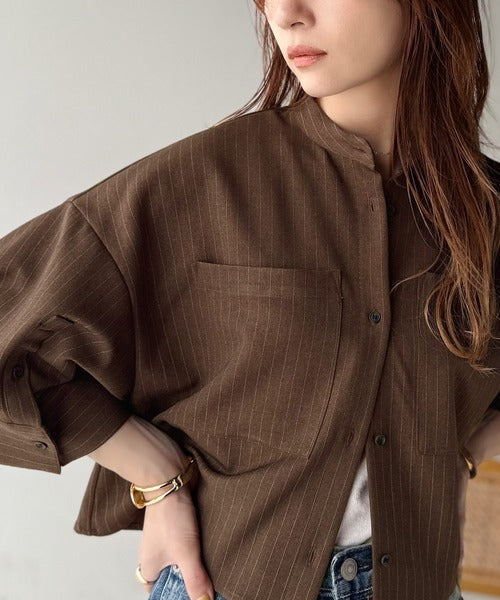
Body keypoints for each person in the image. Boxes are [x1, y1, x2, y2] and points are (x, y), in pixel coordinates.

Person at [1, 1, 500, 599]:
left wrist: (469, 454)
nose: (285, 14)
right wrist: (153, 471)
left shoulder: (486, 208)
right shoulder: (202, 182)